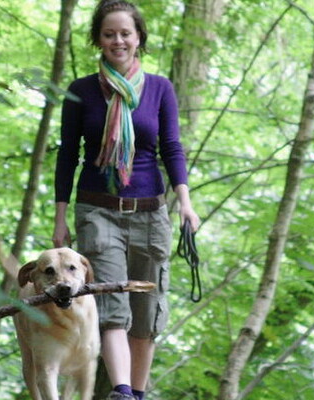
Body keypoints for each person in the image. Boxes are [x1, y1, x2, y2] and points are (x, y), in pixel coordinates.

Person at [51, 1, 199, 399]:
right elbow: (68, 155)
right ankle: (121, 390)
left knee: (146, 312)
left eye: (125, 33)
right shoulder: (81, 91)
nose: (118, 40)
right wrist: (60, 216)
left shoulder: (160, 89)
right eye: (109, 33)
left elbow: (171, 147)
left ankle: (137, 392)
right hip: (97, 210)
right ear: (98, 39)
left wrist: (185, 202)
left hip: (150, 212)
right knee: (113, 303)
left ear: (139, 38)